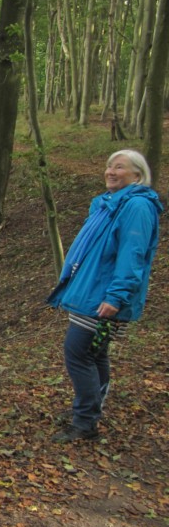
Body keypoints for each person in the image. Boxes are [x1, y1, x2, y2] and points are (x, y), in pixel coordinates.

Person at [47, 149, 162, 443]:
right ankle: (89, 411)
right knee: (94, 354)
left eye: (119, 167)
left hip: (104, 297)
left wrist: (116, 297)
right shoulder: (109, 205)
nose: (110, 171)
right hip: (91, 291)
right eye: (109, 166)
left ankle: (85, 423)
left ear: (137, 175)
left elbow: (133, 256)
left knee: (78, 353)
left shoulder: (136, 206)